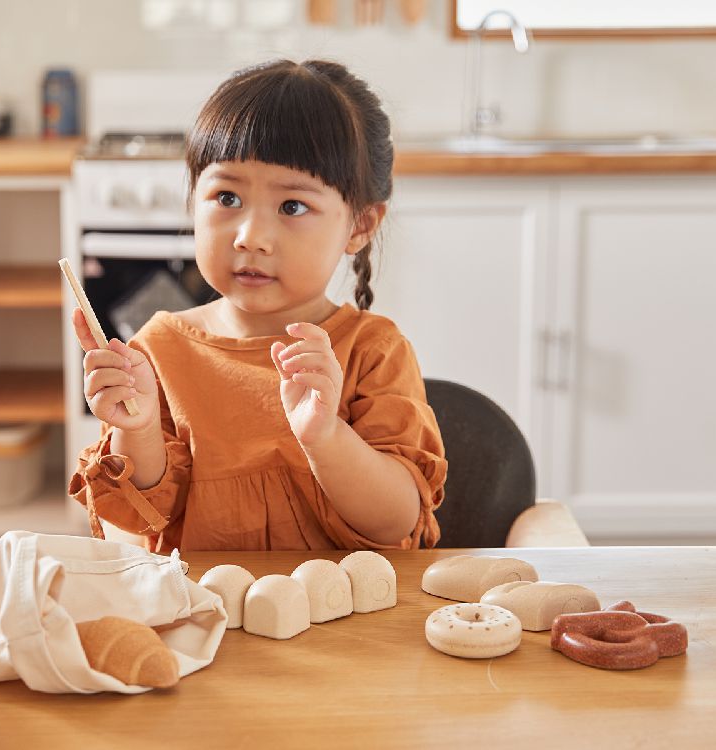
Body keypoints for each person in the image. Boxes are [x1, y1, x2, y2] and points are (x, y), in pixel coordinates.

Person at [68, 59, 447, 553]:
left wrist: (326, 437)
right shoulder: (157, 351)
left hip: (342, 624)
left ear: (360, 225)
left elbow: (395, 522)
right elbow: (141, 522)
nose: (251, 237)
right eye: (226, 197)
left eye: (292, 207)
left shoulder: (373, 351)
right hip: (205, 620)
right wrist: (135, 428)